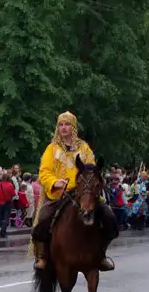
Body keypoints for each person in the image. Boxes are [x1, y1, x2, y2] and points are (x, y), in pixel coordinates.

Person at [30, 111, 117, 272]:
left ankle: (101, 255)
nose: (63, 128)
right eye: (61, 125)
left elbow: (92, 169)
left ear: (73, 127)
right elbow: (44, 172)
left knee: (109, 217)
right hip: (60, 194)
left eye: (67, 124)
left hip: (84, 193)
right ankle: (42, 257)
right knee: (42, 218)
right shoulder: (52, 148)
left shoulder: (84, 148)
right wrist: (55, 182)